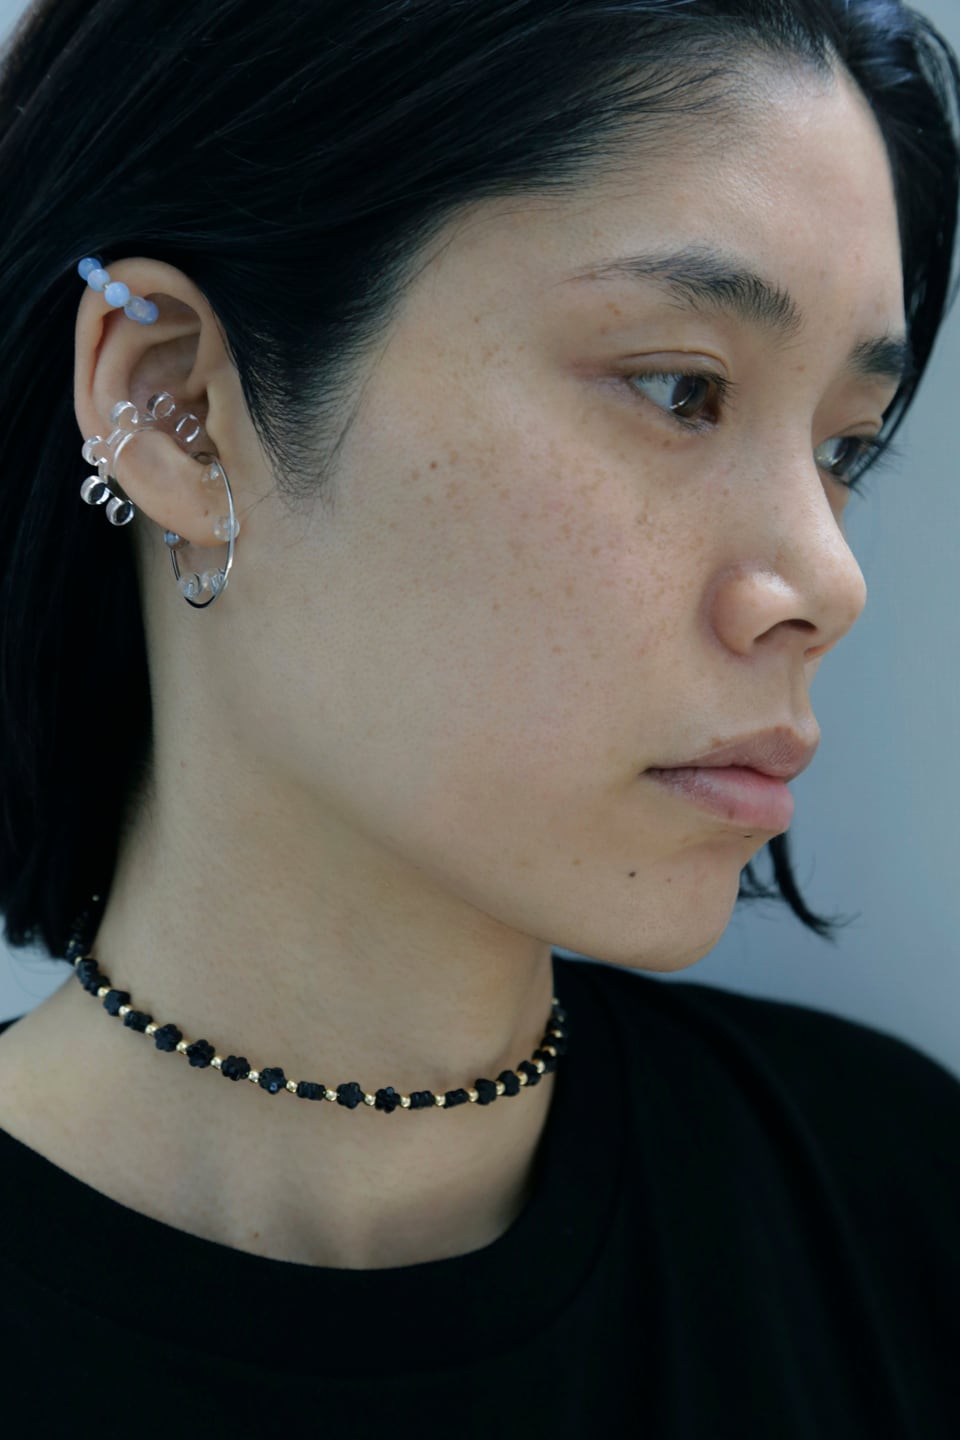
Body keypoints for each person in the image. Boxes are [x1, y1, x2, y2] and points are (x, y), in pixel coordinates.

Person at [0, 0, 957, 1432]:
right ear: (175, 410)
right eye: (680, 389)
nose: (830, 582)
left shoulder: (904, 1214)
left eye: (842, 448)